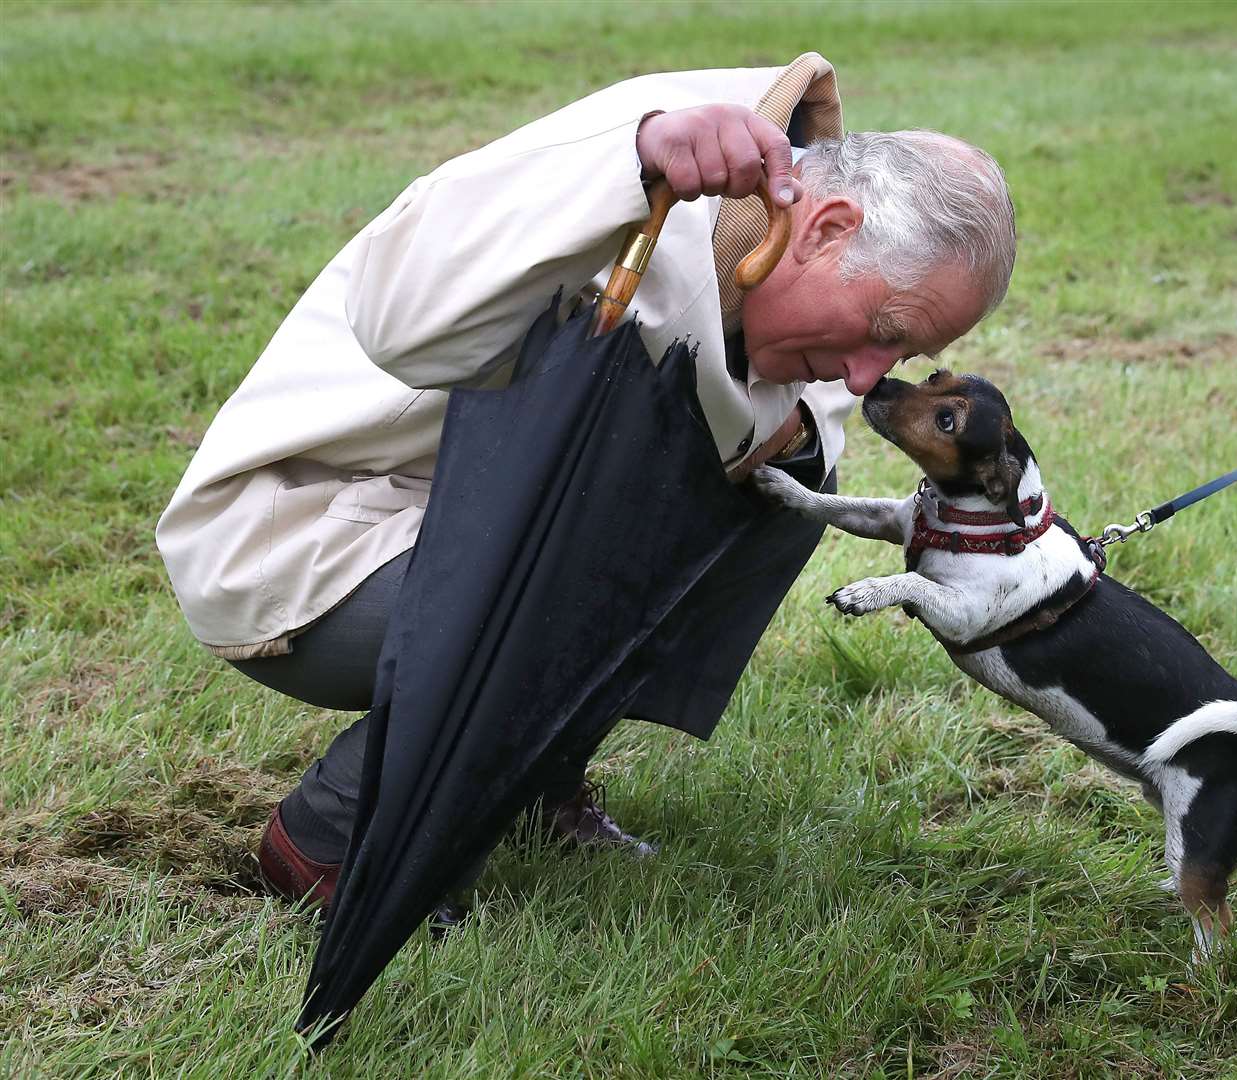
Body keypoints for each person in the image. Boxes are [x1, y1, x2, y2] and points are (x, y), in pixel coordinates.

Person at [155, 53, 1016, 908]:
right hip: (307, 531)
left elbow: (769, 438)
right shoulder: (649, 152)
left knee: (780, 501)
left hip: (477, 527)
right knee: (610, 565)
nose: (869, 377)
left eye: (899, 354)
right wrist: (632, 162)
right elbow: (400, 322)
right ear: (824, 229)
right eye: (881, 330)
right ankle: (327, 833)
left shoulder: (785, 238)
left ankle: (527, 778)